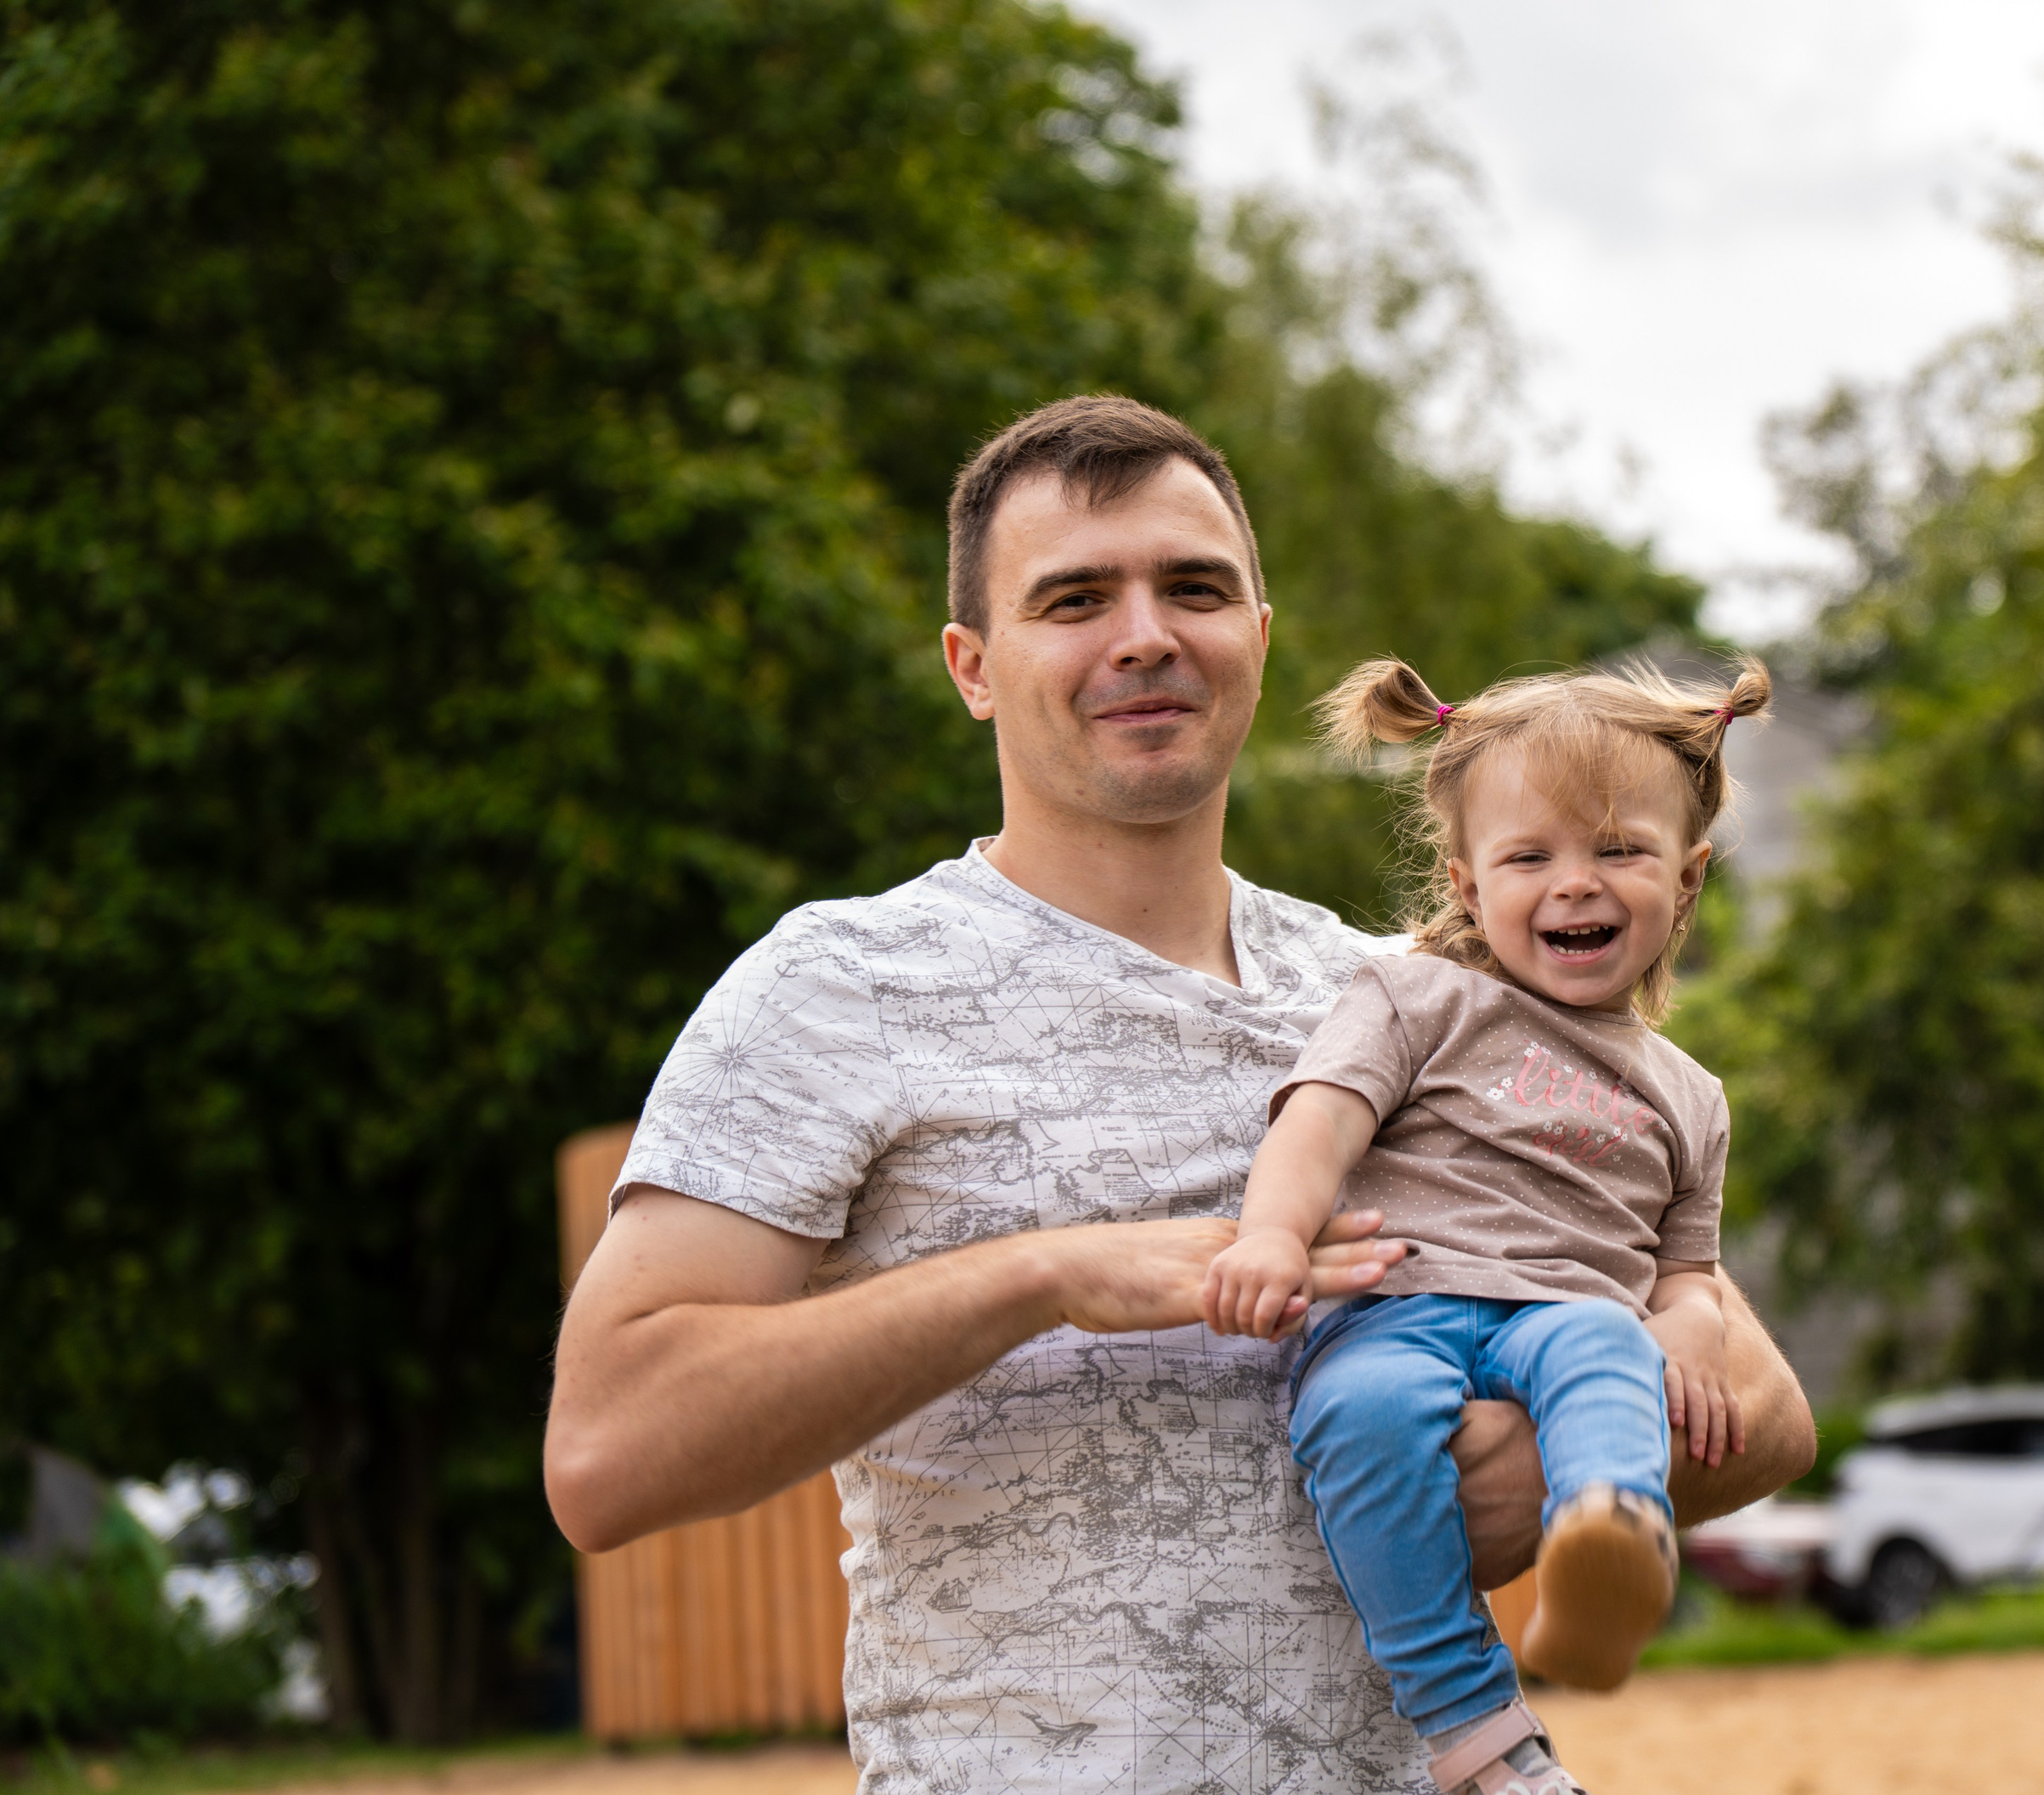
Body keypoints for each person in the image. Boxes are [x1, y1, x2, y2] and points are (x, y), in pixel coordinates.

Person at [545, 395, 1815, 1793]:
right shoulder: (836, 986)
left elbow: (1761, 1397)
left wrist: (1568, 1458)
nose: (1146, 634)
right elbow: (606, 1453)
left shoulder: (1422, 992)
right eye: (1075, 598)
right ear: (973, 666)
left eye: (1194, 589)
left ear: (1258, 640)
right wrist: (1040, 1275)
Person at [1202, 654, 1771, 1794]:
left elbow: (1685, 1267)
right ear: (1467, 886)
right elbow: (1318, 1126)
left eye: (1620, 850)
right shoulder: (1417, 998)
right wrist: (1270, 1235)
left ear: (1687, 876)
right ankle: (1479, 1736)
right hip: (1396, 1308)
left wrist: (1695, 1327)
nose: (1576, 885)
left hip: (1568, 1311)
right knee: (1354, 1412)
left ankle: (1608, 1542)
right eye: (1530, 857)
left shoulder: (1691, 1095)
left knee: (1613, 1351)